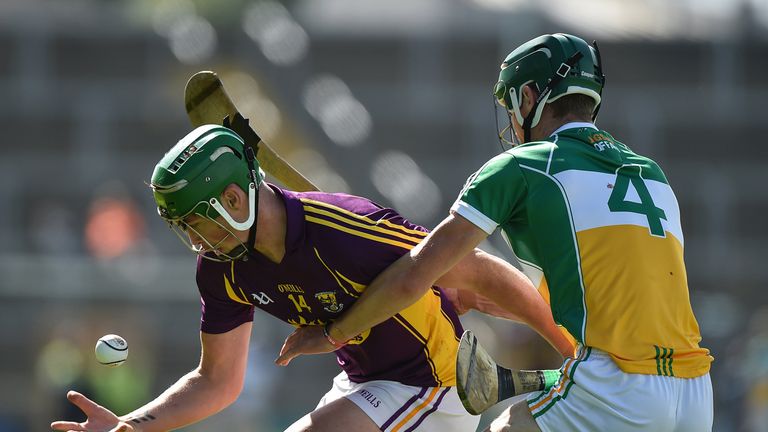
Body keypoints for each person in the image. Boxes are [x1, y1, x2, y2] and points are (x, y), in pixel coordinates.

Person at [276, 33, 714, 432]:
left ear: (529, 96)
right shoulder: (651, 173)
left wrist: (334, 333)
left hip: (618, 388)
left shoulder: (522, 166)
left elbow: (415, 273)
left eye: (512, 104)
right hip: (695, 392)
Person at [51, 124, 573, 432]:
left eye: (196, 223)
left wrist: (569, 346)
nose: (194, 242)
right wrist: (131, 426)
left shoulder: (346, 227)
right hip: (365, 382)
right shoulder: (221, 267)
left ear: (233, 200)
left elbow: (474, 269)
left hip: (435, 381)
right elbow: (217, 381)